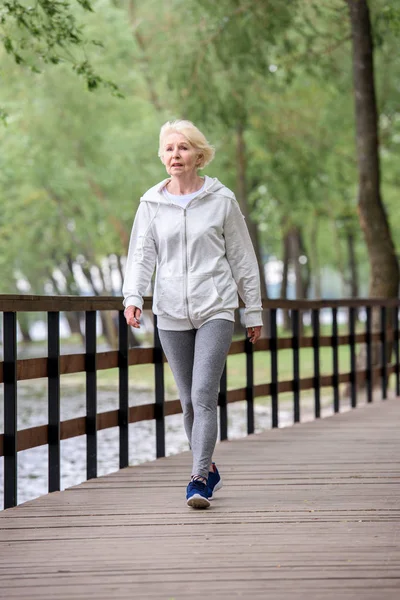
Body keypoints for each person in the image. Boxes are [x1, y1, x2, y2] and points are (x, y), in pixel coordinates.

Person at [123, 120, 262, 509]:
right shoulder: (151, 203)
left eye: (183, 148)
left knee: (204, 394)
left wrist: (253, 311)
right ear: (162, 156)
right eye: (168, 149)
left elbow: (243, 259)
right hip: (169, 313)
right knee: (187, 400)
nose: (175, 155)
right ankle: (209, 466)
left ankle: (198, 478)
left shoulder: (222, 201)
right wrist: (133, 296)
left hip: (216, 307)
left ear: (199, 155)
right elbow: (141, 255)